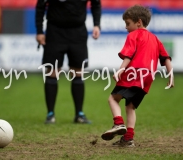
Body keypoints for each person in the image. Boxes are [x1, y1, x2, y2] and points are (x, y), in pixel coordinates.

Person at [101, 5, 174, 147]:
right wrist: (171, 76)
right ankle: (128, 139)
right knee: (130, 107)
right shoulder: (155, 39)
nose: (126, 27)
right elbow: (166, 58)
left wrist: (121, 70)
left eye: (128, 23)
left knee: (113, 99)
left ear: (138, 22)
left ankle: (118, 123)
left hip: (133, 73)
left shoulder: (133, 35)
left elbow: (128, 55)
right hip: (147, 78)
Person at [35, 0, 101, 124]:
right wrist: (39, 31)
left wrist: (97, 24)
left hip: (78, 32)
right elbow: (40, 7)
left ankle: (79, 114)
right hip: (55, 32)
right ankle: (50, 114)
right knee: (52, 72)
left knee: (77, 73)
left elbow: (96, 3)